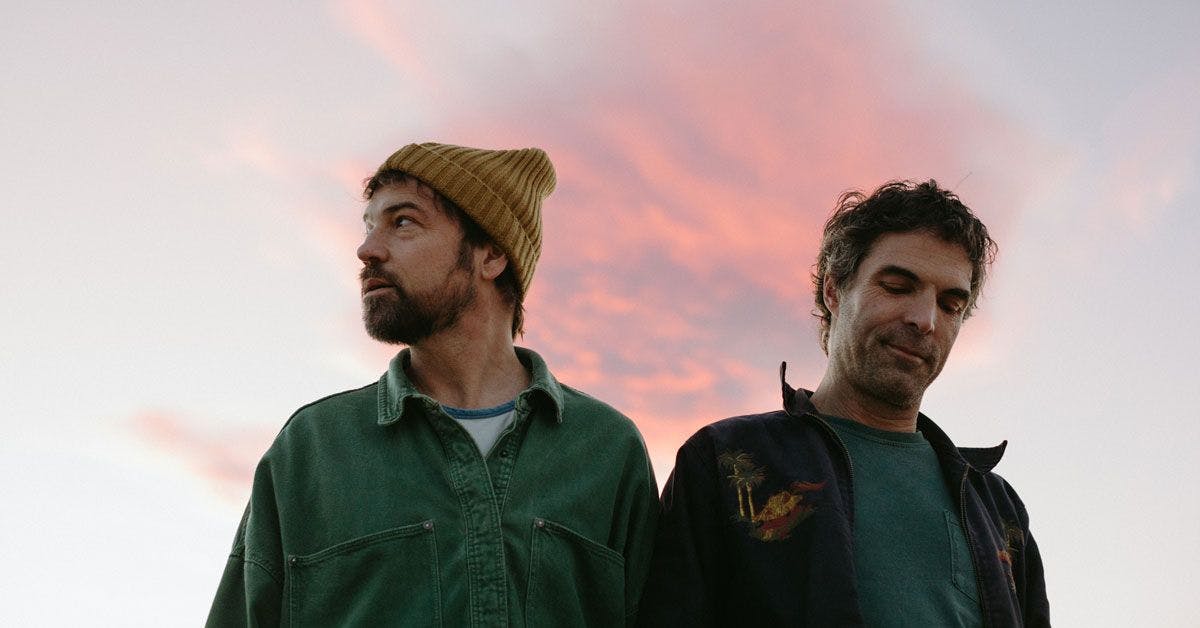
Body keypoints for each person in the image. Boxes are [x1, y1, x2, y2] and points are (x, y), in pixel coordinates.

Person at [206, 142, 658, 627]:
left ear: (491, 254)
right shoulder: (312, 449)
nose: (367, 249)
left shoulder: (608, 450)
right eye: (368, 226)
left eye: (402, 222)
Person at [638, 180, 1049, 626]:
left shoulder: (998, 508)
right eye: (897, 286)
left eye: (950, 305)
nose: (925, 320)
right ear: (833, 291)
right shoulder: (726, 460)